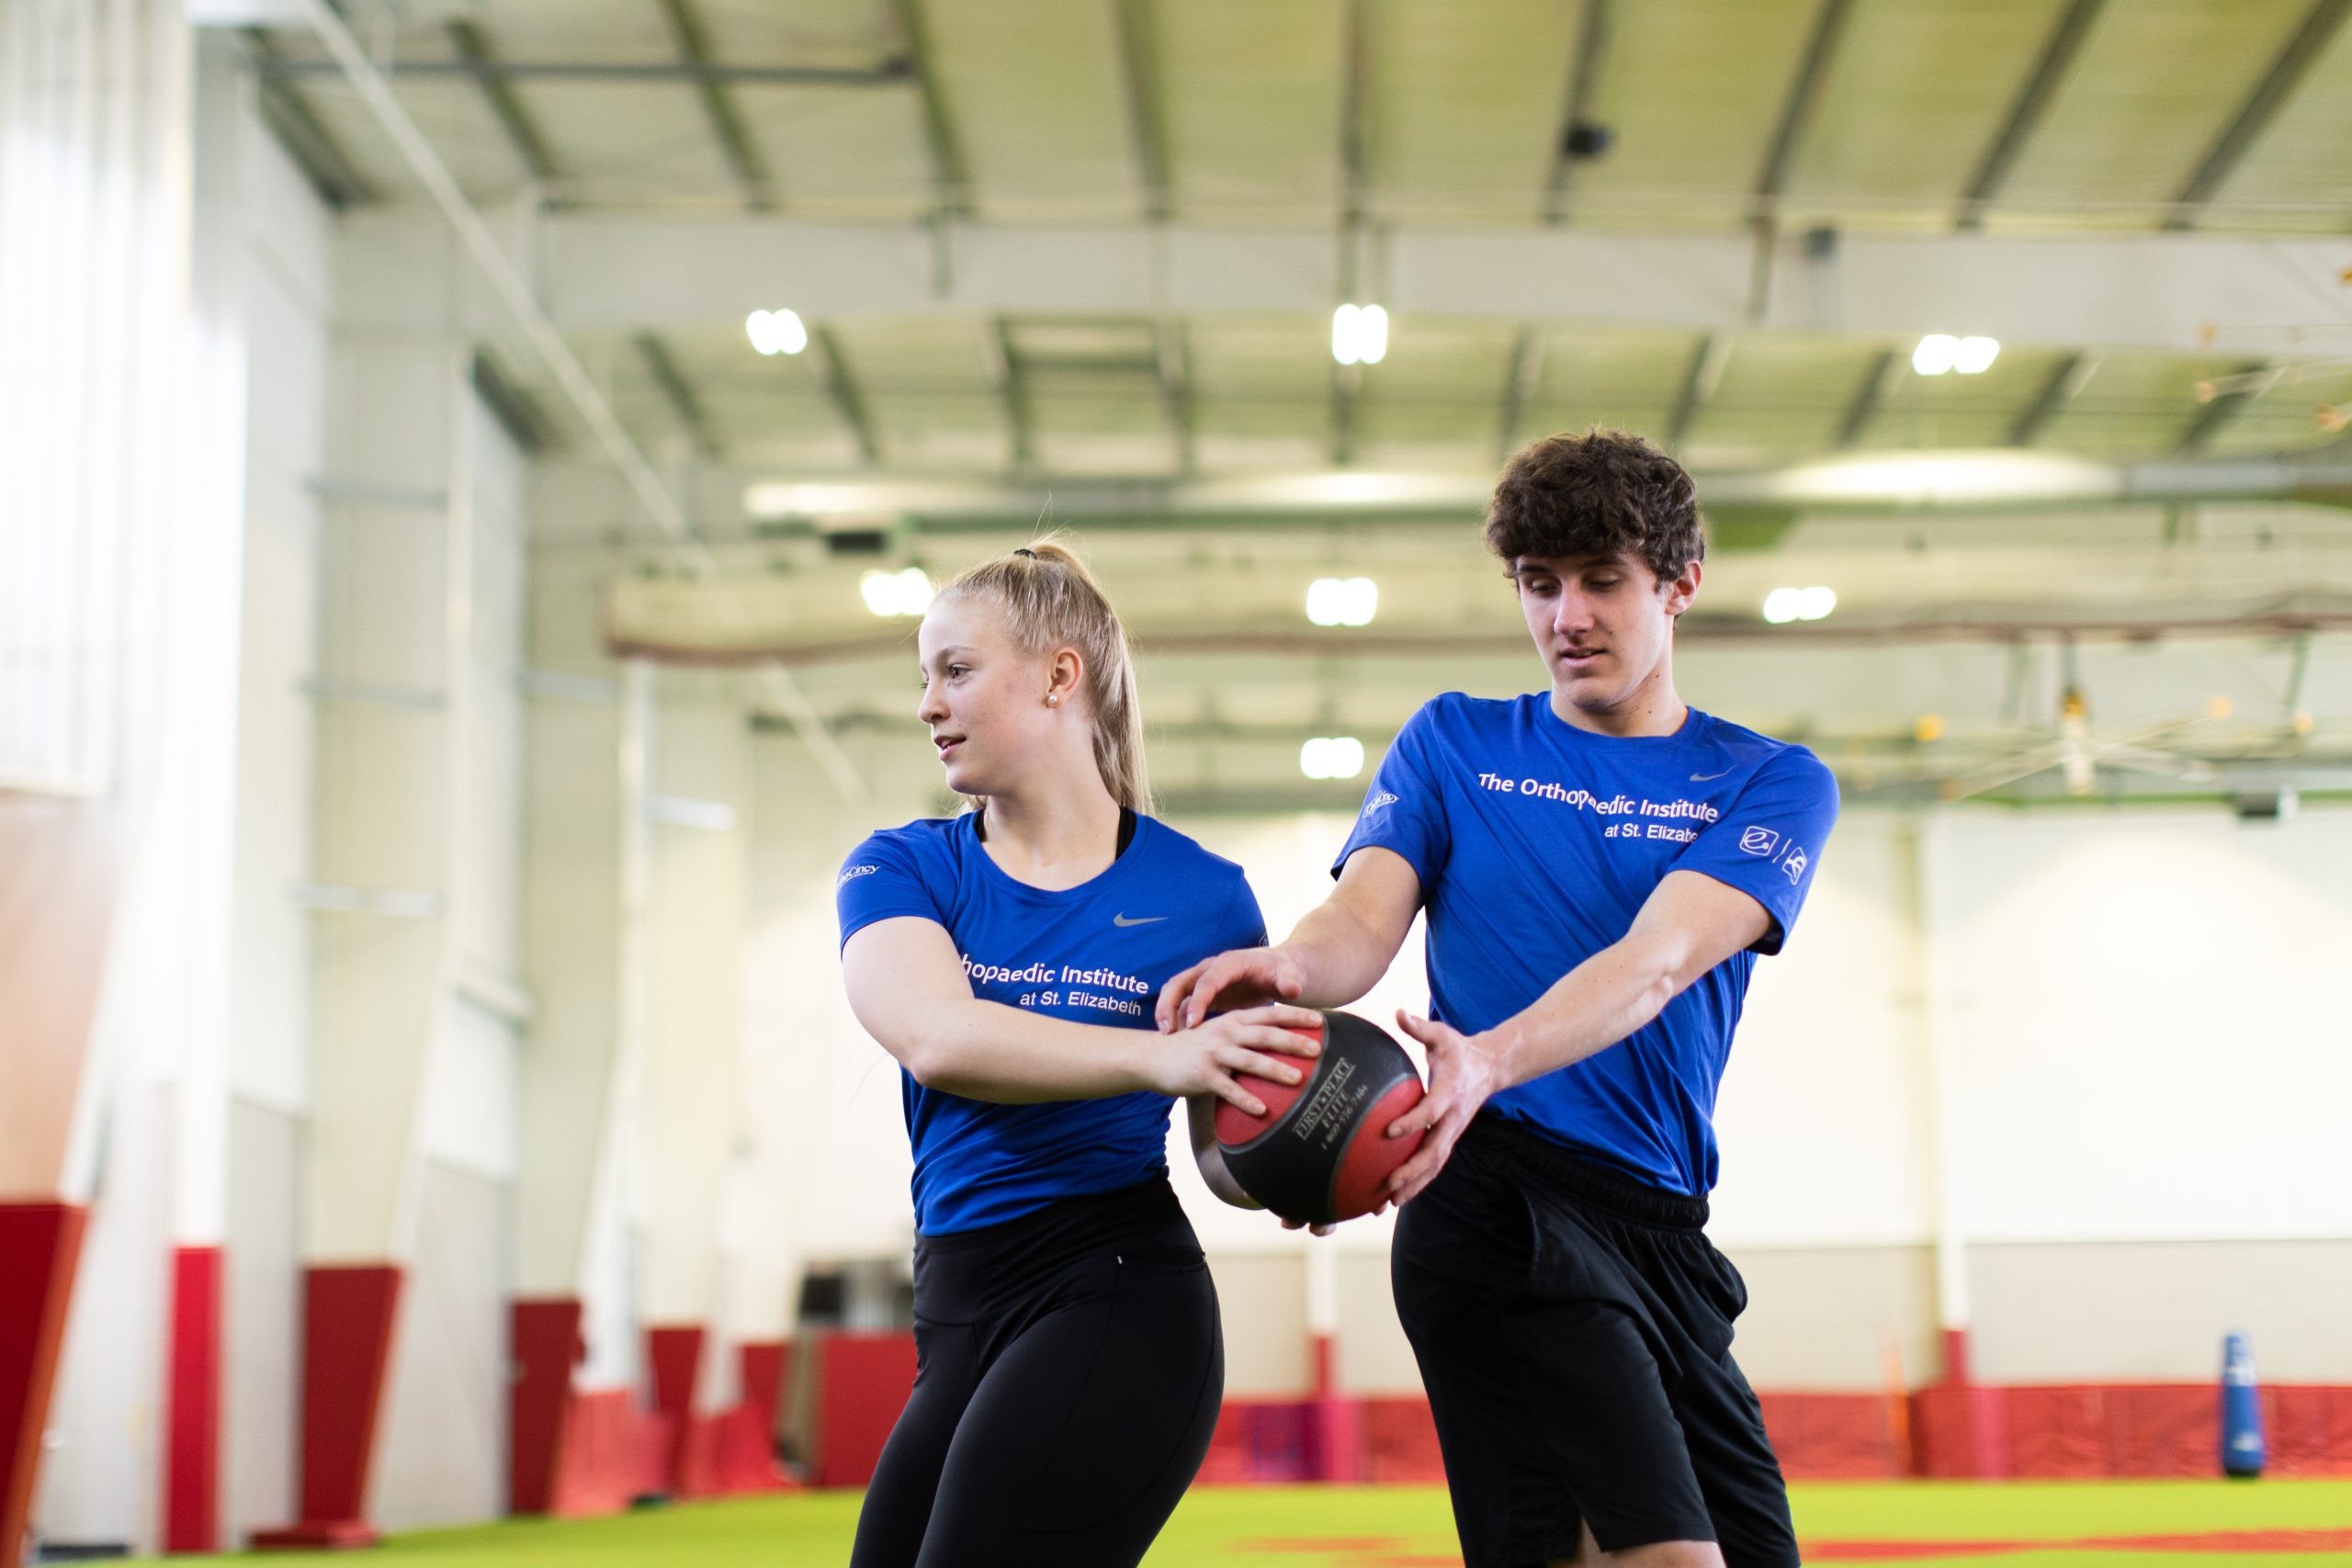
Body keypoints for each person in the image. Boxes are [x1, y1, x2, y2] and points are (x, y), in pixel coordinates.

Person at [1158, 431, 1839, 1568]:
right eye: (1539, 584)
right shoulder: (1454, 742)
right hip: (1494, 1195)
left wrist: (1490, 1052)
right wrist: (1286, 970)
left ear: (1680, 584)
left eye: (1601, 581)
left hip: (1658, 1226)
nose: (1566, 614)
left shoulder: (1769, 782)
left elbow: (1660, 958)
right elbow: (1359, 926)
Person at [836, 541, 1318, 1568]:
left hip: (1116, 1289)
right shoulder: (901, 867)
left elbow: (1229, 1126)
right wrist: (1163, 1059)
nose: (928, 703)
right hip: (959, 1307)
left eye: (955, 670)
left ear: (1062, 675)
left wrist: (1300, 1153)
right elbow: (936, 1037)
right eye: (923, 676)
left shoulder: (1206, 897)